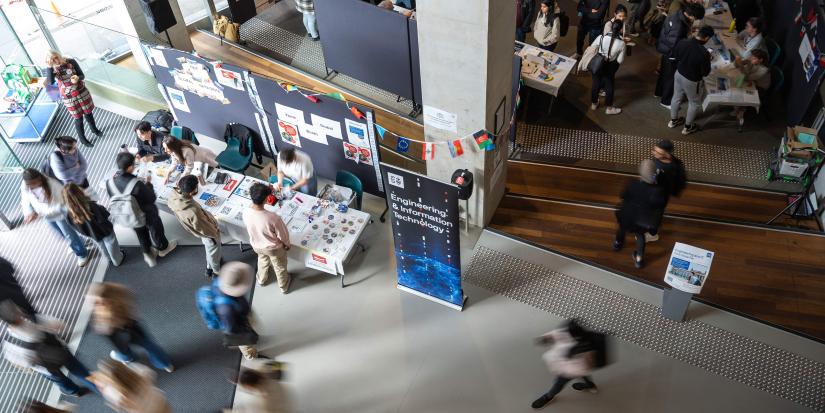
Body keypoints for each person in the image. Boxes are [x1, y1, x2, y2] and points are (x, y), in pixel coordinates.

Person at [0, 300, 98, 397]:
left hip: (45, 367)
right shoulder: (33, 320)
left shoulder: (9, 343)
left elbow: (21, 364)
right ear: (18, 313)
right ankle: (96, 384)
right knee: (78, 370)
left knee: (60, 380)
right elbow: (59, 325)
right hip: (60, 352)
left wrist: (29, 367)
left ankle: (73, 391)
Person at [107, 152, 177, 267]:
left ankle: (148, 255)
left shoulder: (110, 182)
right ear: (130, 167)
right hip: (146, 214)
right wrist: (148, 183)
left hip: (128, 215)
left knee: (141, 234)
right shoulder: (136, 184)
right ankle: (163, 248)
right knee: (156, 230)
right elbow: (152, 198)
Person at [87, 282, 174, 373]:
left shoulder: (101, 314)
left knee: (124, 351)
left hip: (117, 336)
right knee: (149, 345)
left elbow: (104, 329)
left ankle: (129, 359)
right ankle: (165, 363)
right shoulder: (121, 295)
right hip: (132, 327)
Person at [20, 168, 90, 267]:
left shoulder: (52, 184)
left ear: (39, 179)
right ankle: (80, 242)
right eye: (30, 184)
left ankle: (82, 253)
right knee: (60, 234)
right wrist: (29, 213)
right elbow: (25, 199)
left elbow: (63, 205)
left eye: (35, 183)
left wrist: (39, 214)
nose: (32, 186)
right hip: (46, 215)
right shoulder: (25, 185)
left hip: (59, 214)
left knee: (69, 235)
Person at [531, 320, 602, 409]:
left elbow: (584, 366)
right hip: (577, 367)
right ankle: (590, 385)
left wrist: (562, 369)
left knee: (559, 383)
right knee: (584, 375)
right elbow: (557, 334)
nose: (563, 332)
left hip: (571, 369)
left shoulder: (583, 347)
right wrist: (546, 337)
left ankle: (549, 396)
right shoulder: (573, 335)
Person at [613, 160, 667, 268]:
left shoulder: (632, 184)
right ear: (654, 174)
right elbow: (658, 208)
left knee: (621, 229)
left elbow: (623, 196)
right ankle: (639, 260)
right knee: (640, 237)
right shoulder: (657, 191)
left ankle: (618, 244)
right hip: (642, 221)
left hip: (627, 216)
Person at [168, 175, 223, 279]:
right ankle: (216, 272)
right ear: (190, 192)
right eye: (196, 187)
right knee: (214, 251)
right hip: (208, 233)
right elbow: (206, 229)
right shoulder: (193, 211)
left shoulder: (173, 195)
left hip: (196, 229)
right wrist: (215, 230)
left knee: (209, 250)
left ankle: (209, 267)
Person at [44, 51, 101, 147]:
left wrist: (77, 78)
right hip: (68, 97)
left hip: (81, 91)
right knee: (78, 118)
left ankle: (94, 129)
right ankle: (83, 140)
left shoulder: (70, 62)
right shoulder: (52, 69)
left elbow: (82, 75)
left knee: (88, 112)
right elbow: (50, 82)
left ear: (58, 55)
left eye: (56, 57)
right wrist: (49, 67)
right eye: (53, 60)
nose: (56, 60)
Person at [243, 183, 292, 292]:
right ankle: (283, 286)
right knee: (279, 266)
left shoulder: (246, 212)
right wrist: (287, 245)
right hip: (273, 249)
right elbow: (283, 236)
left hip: (256, 245)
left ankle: (261, 279)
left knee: (262, 260)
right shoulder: (273, 218)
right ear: (267, 199)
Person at [654, 4, 705, 109]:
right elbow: (676, 44)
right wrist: (691, 38)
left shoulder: (678, 13)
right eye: (695, 18)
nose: (694, 20)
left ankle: (659, 92)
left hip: (664, 48)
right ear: (692, 16)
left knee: (664, 73)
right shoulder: (679, 25)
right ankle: (666, 101)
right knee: (670, 77)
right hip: (671, 53)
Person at [63, 183, 124, 267]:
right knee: (111, 243)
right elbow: (104, 216)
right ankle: (117, 259)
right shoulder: (91, 205)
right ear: (79, 192)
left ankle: (108, 258)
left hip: (91, 234)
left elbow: (74, 227)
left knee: (101, 246)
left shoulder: (69, 214)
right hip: (105, 230)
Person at [668, 25, 713, 135]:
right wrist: (708, 59)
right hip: (692, 81)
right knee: (694, 103)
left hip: (679, 74)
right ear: (707, 38)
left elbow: (676, 56)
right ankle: (687, 127)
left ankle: (673, 121)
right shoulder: (704, 53)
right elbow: (705, 73)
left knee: (676, 97)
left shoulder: (683, 42)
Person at [214, 261, 259, 360]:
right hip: (238, 329)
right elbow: (232, 329)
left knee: (250, 332)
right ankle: (251, 356)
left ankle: (251, 339)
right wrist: (244, 335)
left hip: (241, 316)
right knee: (246, 346)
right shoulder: (225, 309)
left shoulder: (220, 283)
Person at [90, 359, 171, 413]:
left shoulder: (115, 393)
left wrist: (103, 388)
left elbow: (118, 407)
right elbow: (151, 374)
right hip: (158, 401)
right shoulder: (137, 369)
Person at [583, 21, 626, 115]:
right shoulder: (621, 43)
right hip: (610, 66)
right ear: (621, 29)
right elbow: (620, 60)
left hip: (597, 64)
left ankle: (594, 104)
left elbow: (592, 47)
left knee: (595, 83)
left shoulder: (601, 37)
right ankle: (609, 108)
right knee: (609, 85)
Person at [733, 49, 771, 131]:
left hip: (760, 88)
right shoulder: (752, 61)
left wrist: (741, 66)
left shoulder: (764, 70)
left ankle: (740, 111)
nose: (750, 59)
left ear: (760, 60)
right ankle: (738, 108)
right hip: (753, 82)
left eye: (754, 58)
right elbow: (736, 66)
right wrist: (737, 61)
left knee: (741, 93)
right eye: (751, 57)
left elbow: (747, 77)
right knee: (737, 85)